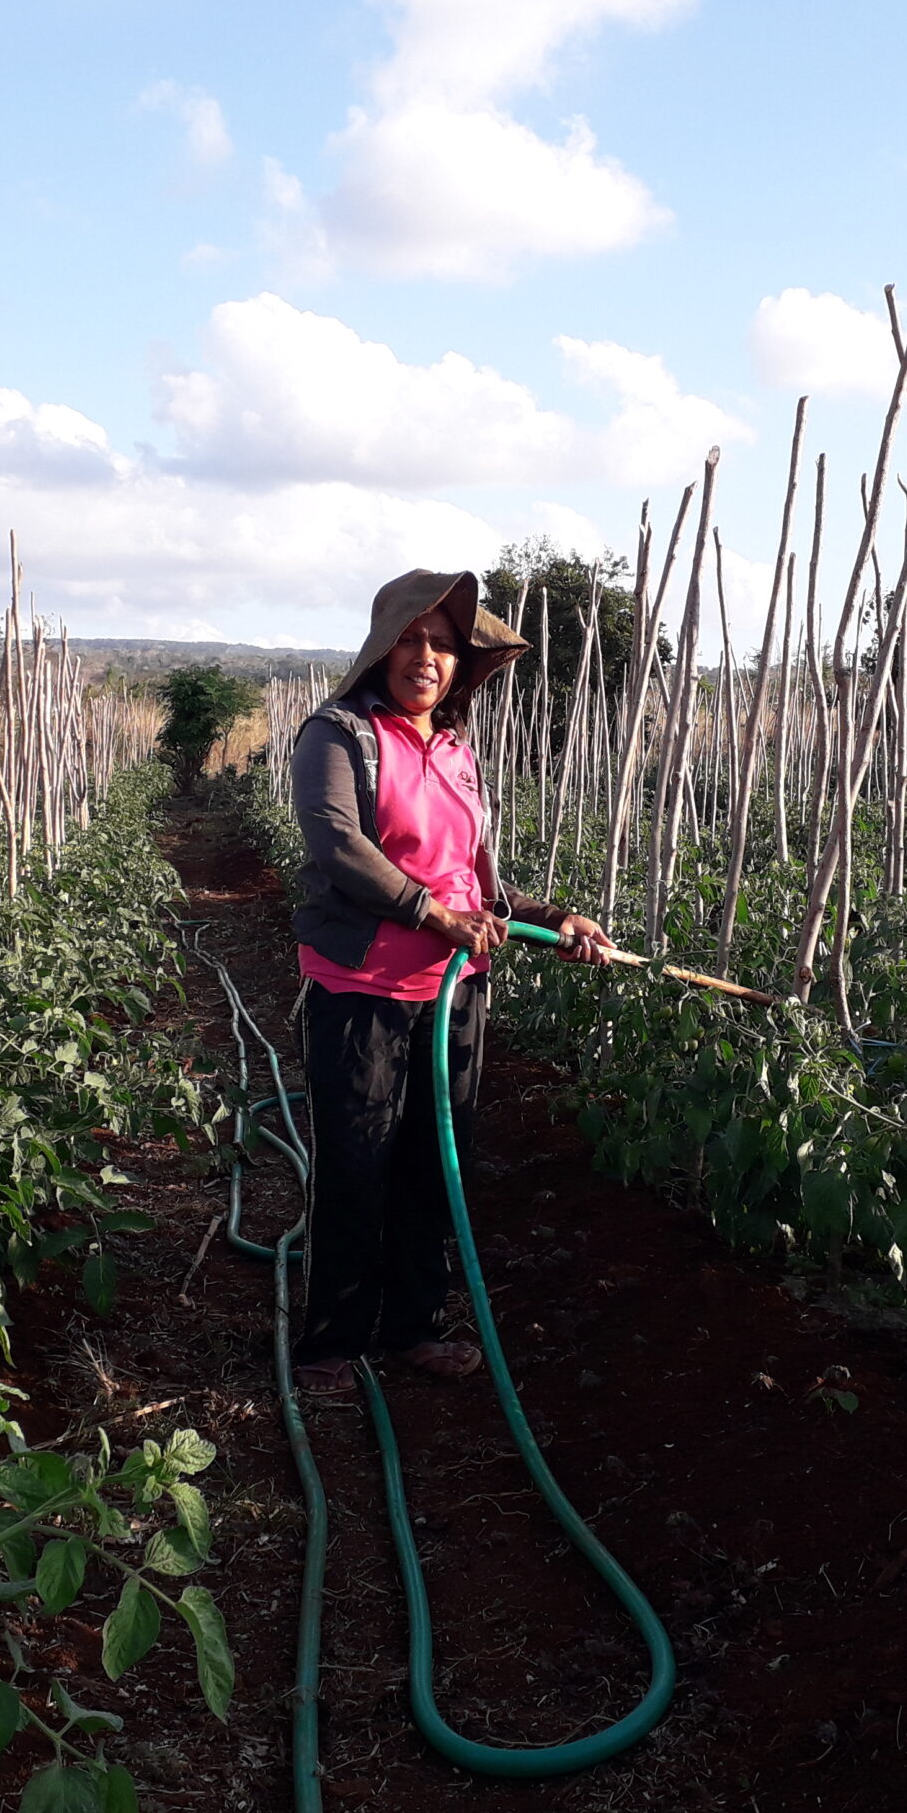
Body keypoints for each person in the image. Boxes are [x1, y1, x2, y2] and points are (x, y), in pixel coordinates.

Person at [288, 568, 612, 1395]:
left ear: (460, 667)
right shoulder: (339, 736)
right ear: (382, 648)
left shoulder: (457, 753)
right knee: (357, 1162)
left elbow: (476, 886)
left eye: (442, 645)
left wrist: (554, 919)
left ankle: (414, 1329)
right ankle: (331, 1340)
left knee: (436, 1163)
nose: (425, 656)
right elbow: (338, 845)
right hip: (362, 988)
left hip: (453, 994)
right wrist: (432, 917)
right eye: (412, 638)